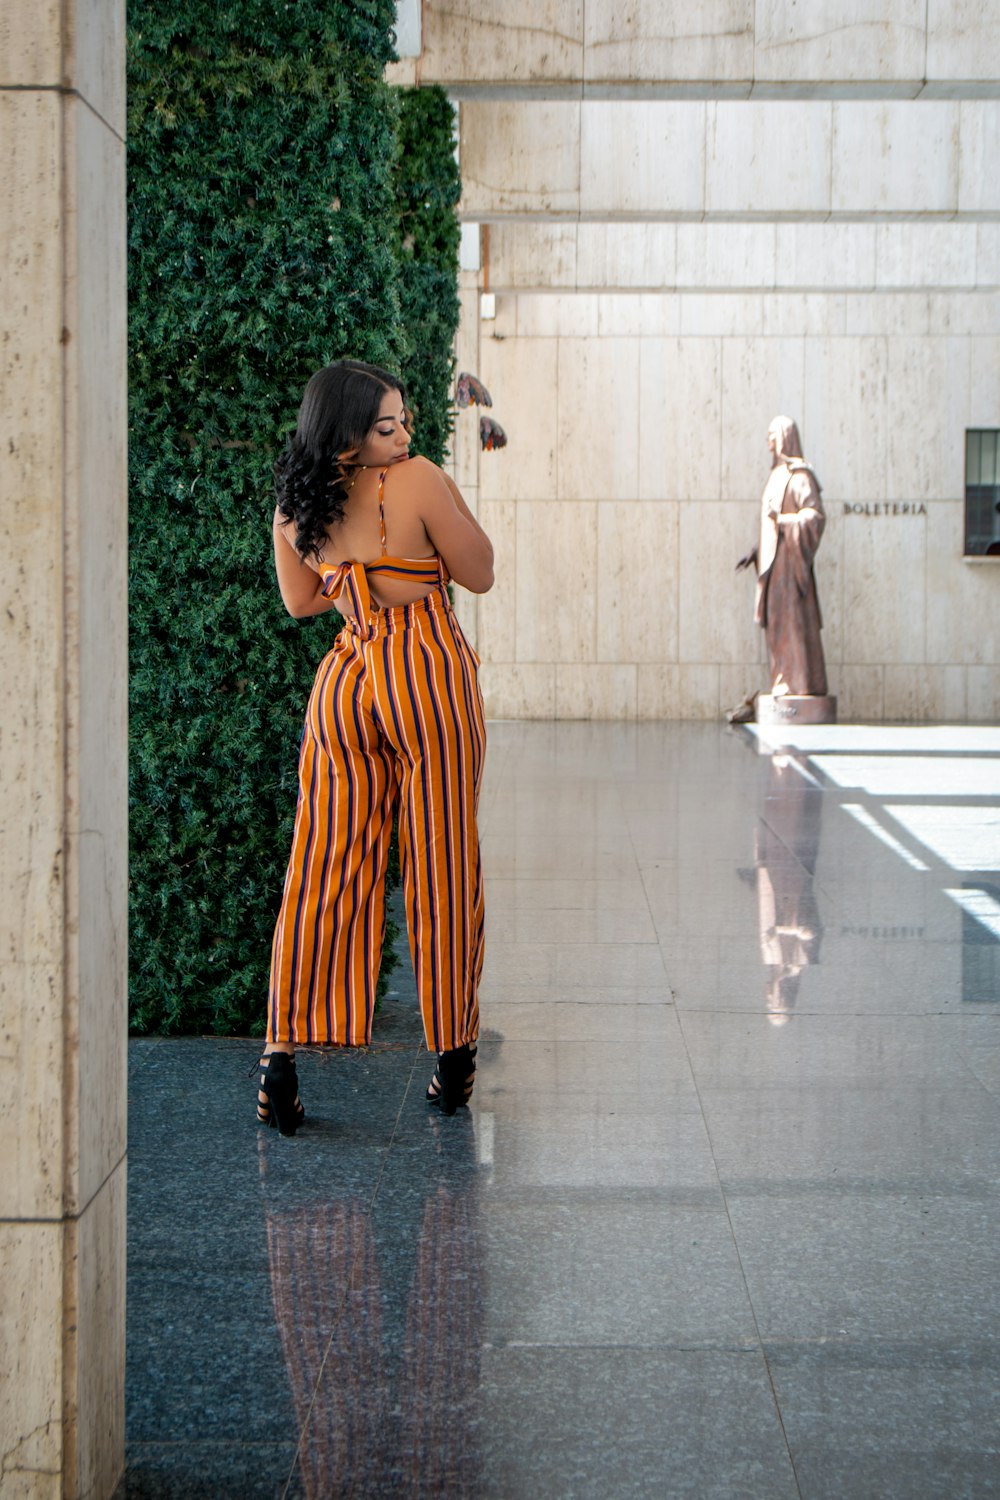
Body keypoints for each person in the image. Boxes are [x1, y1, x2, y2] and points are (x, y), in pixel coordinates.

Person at [255, 359, 494, 1133]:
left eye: (405, 422)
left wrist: (353, 579)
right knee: (442, 860)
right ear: (349, 437)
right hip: (424, 676)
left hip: (346, 683)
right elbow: (480, 573)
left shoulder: (295, 501)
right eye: (387, 425)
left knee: (321, 866)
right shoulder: (417, 480)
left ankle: (281, 1057)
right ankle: (453, 1055)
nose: (405, 436)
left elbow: (298, 603)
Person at [736, 415, 829, 699]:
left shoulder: (800, 477)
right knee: (776, 626)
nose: (768, 445)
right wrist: (757, 551)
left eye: (771, 437)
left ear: (784, 438)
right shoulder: (776, 476)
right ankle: (782, 682)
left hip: (790, 568)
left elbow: (814, 516)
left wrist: (787, 522)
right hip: (773, 567)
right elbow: (769, 527)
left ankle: (800, 685)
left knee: (793, 623)